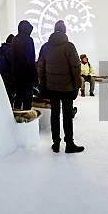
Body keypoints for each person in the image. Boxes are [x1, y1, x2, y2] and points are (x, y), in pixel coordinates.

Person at [37, 20, 84, 153]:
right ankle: (69, 144)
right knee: (67, 116)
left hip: (52, 88)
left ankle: (56, 143)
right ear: (64, 30)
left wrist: (43, 84)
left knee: (55, 115)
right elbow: (76, 67)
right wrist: (77, 85)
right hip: (67, 88)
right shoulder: (69, 46)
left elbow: (40, 67)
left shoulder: (45, 47)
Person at [8, 21, 38, 110]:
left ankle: (17, 120)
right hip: (27, 76)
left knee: (18, 98)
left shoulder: (15, 39)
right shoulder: (28, 40)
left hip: (16, 75)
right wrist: (35, 76)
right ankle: (26, 121)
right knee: (27, 100)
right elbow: (30, 60)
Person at [0, 34, 15, 104]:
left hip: (1, 74)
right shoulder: (11, 50)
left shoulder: (1, 49)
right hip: (9, 74)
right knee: (9, 95)